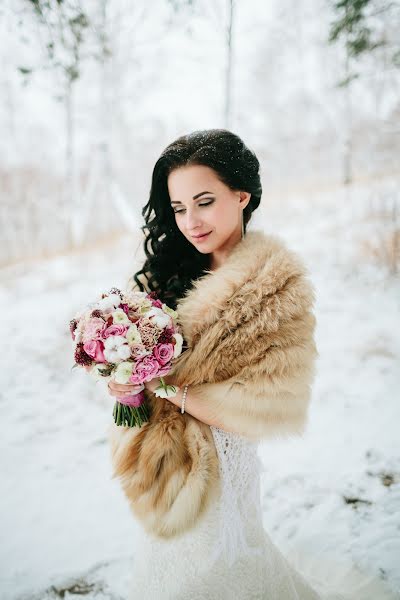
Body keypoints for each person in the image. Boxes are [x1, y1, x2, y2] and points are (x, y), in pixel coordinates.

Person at [106, 129, 397, 600]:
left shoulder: (275, 287)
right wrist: (126, 386)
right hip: (161, 460)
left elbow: (271, 402)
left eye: (204, 201)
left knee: (214, 566)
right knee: (166, 567)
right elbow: (135, 372)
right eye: (179, 208)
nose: (190, 221)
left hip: (222, 460)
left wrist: (173, 390)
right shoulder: (163, 275)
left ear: (241, 195)